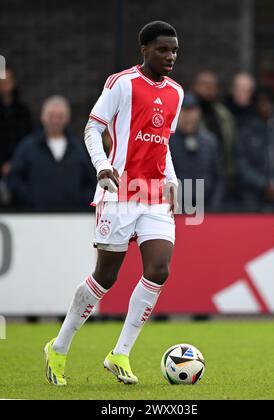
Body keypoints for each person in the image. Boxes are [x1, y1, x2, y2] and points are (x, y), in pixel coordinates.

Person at [44, 21, 183, 386]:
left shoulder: (177, 93)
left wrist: (171, 180)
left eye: (174, 51)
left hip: (153, 195)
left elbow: (163, 142)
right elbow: (92, 127)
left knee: (159, 269)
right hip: (119, 191)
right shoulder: (121, 83)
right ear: (144, 50)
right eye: (162, 50)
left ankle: (120, 353)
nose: (169, 57)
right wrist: (103, 165)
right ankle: (58, 347)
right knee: (105, 277)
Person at [8, 96, 94, 210]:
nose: (55, 120)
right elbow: (14, 179)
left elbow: (92, 181)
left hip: (73, 219)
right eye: (51, 115)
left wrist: (80, 201)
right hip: (34, 218)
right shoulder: (27, 147)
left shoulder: (79, 148)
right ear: (43, 117)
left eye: (60, 116)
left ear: (67, 118)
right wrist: (32, 198)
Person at [235, 85, 274, 210]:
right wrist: (264, 185)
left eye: (268, 102)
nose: (265, 106)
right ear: (255, 105)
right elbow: (241, 164)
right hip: (252, 192)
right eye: (261, 102)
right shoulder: (246, 129)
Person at [170, 93, 224, 210]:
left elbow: (219, 177)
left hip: (207, 209)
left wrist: (214, 207)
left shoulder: (210, 141)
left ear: (198, 112)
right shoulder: (167, 142)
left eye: (192, 110)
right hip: (176, 209)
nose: (188, 116)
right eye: (184, 110)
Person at [193, 70, 236, 177]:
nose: (209, 89)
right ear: (195, 87)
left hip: (221, 172)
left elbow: (231, 146)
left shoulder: (224, 115)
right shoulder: (186, 114)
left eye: (213, 86)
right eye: (205, 85)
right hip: (195, 173)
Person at [0, 67, 32, 204]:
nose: (5, 84)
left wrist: (14, 163)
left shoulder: (23, 112)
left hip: (18, 167)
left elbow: (28, 141)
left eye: (8, 80)